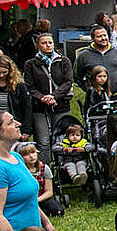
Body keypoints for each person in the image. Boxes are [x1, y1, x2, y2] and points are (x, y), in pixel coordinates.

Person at [0, 111, 55, 231]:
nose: (18, 124)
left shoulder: (16, 157)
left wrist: (45, 222)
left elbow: (28, 198)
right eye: (10, 122)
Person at [23, 34, 74, 164]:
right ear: (38, 45)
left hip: (61, 105)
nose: (47, 45)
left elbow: (68, 81)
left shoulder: (63, 61)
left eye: (50, 42)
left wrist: (54, 96)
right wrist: (42, 98)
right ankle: (44, 170)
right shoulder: (31, 64)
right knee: (43, 140)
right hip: (39, 107)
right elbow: (30, 86)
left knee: (61, 138)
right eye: (44, 43)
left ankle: (64, 169)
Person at [73, 25, 117, 98]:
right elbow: (77, 77)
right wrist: (88, 89)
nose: (103, 38)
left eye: (105, 35)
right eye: (99, 36)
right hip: (94, 97)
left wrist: (116, 86)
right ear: (93, 38)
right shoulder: (84, 55)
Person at [0, 55, 31, 140]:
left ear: (10, 70)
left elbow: (27, 108)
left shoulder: (19, 86)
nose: (1, 75)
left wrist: (26, 130)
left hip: (14, 123)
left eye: (4, 72)